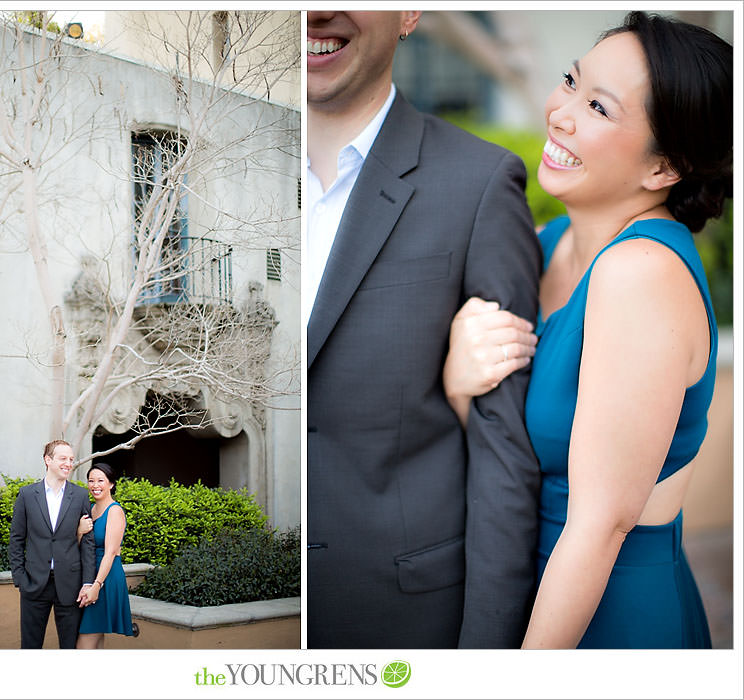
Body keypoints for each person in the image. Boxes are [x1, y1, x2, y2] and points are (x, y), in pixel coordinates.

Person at [443, 11, 731, 648]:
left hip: (606, 615)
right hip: (524, 584)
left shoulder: (641, 275)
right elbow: (516, 455)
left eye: (599, 107)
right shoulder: (545, 244)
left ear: (664, 168)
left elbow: (599, 524)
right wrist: (462, 386)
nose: (560, 113)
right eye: (571, 82)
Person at [306, 10, 542, 648]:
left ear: (410, 13)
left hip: (408, 624)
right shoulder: (220, 170)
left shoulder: (480, 184)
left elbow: (504, 459)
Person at [8, 439, 96, 649]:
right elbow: (16, 539)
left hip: (71, 584)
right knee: (30, 646)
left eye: (71, 459)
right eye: (63, 458)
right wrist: (19, 577)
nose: (68, 463)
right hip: (33, 583)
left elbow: (88, 544)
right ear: (48, 460)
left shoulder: (81, 495)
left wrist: (87, 582)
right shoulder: (27, 495)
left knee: (69, 647)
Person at [76, 462, 134, 648]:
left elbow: (110, 552)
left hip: (105, 579)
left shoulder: (115, 511)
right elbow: (79, 546)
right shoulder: (90, 509)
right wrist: (79, 532)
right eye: (91, 481)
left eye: (101, 480)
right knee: (96, 639)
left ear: (111, 484)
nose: (95, 485)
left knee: (84, 644)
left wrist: (96, 586)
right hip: (90, 575)